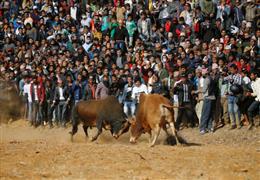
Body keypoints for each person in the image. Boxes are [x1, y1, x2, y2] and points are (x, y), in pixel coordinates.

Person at [199, 69, 218, 134]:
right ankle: (210, 128)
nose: (202, 74)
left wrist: (196, 91)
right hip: (213, 98)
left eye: (202, 73)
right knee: (210, 114)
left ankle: (202, 128)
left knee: (205, 114)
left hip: (207, 98)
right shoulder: (212, 79)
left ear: (205, 74)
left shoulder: (206, 79)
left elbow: (204, 90)